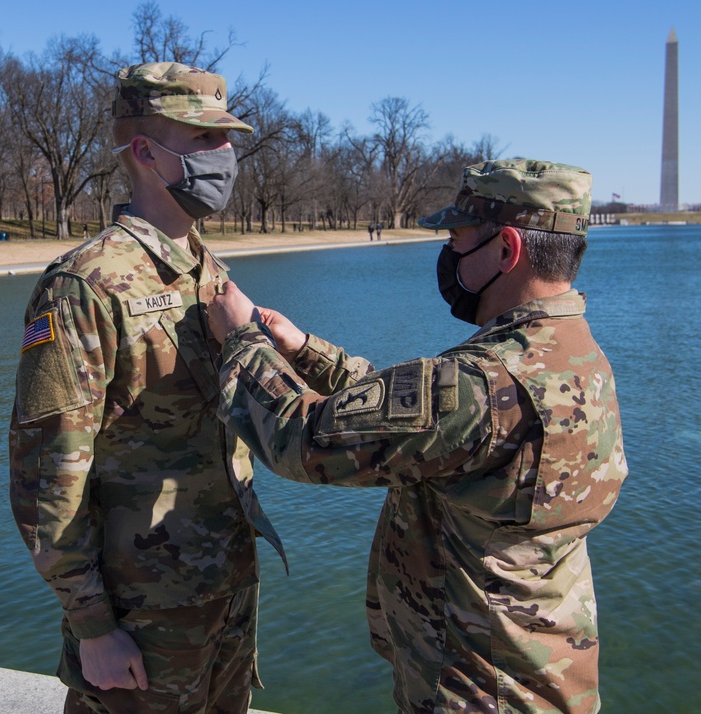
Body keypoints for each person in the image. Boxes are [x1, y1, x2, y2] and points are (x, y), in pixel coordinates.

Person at [206, 159, 628, 713]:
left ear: (506, 250)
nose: (448, 254)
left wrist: (242, 341)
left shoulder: (483, 383)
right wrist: (304, 349)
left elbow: (303, 439)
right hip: (543, 679)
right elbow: (421, 424)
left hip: (474, 693)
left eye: (457, 238)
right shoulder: (576, 357)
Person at [8, 62, 286, 714]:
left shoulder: (205, 267)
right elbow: (47, 475)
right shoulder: (84, 285)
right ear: (143, 153)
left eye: (227, 141)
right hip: (143, 613)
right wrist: (93, 625)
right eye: (202, 140)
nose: (225, 157)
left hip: (225, 588)